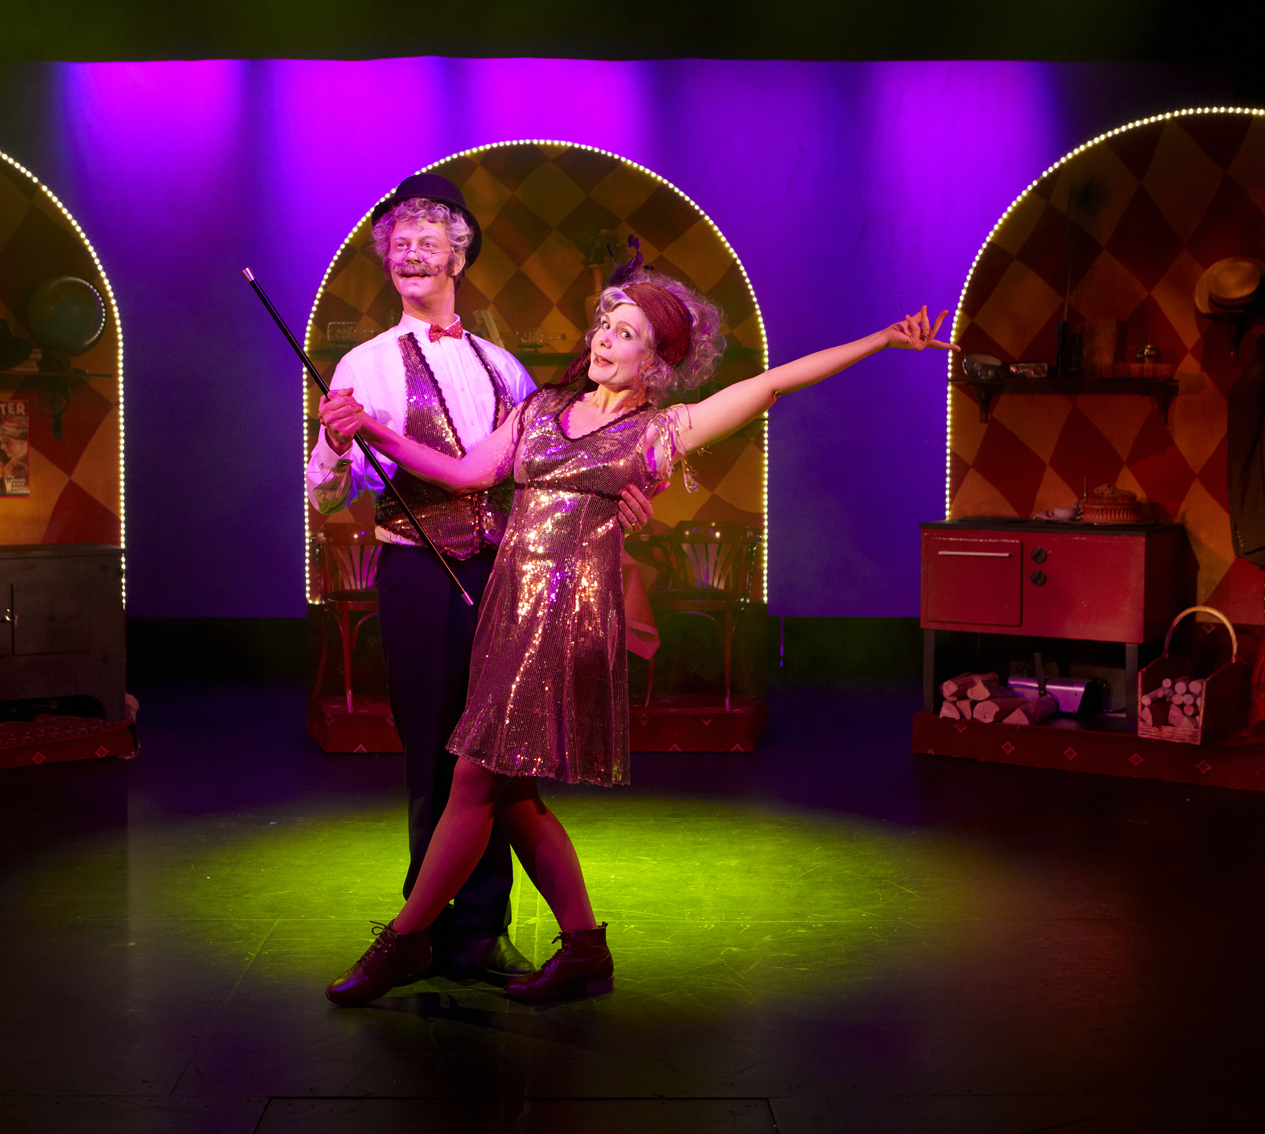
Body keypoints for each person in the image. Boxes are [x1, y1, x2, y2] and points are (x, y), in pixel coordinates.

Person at [319, 256, 956, 1005]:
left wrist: (882, 340)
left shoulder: (660, 430)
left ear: (656, 361)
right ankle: (585, 949)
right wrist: (371, 430)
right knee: (512, 794)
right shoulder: (540, 407)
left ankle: (403, 942)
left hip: (565, 623)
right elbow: (464, 475)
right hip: (506, 613)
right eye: (604, 325)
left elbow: (772, 384)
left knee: (472, 778)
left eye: (625, 333)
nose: (603, 339)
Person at [303, 174, 658, 984]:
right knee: (436, 754)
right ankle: (423, 930)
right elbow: (326, 494)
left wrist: (618, 499)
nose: (411, 254)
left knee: (500, 758)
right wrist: (336, 443)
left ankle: (480, 933)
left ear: (458, 257)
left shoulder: (505, 367)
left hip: (506, 576)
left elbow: (548, 471)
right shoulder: (364, 362)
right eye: (399, 245)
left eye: (428, 243)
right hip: (418, 572)